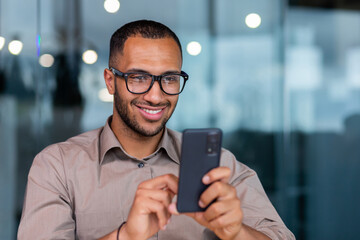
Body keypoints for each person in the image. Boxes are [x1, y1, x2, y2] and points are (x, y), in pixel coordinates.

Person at [18, 20, 295, 240]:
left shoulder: (222, 168)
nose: (155, 95)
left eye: (169, 79)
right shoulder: (57, 167)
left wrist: (237, 234)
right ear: (110, 81)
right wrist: (126, 236)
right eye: (139, 78)